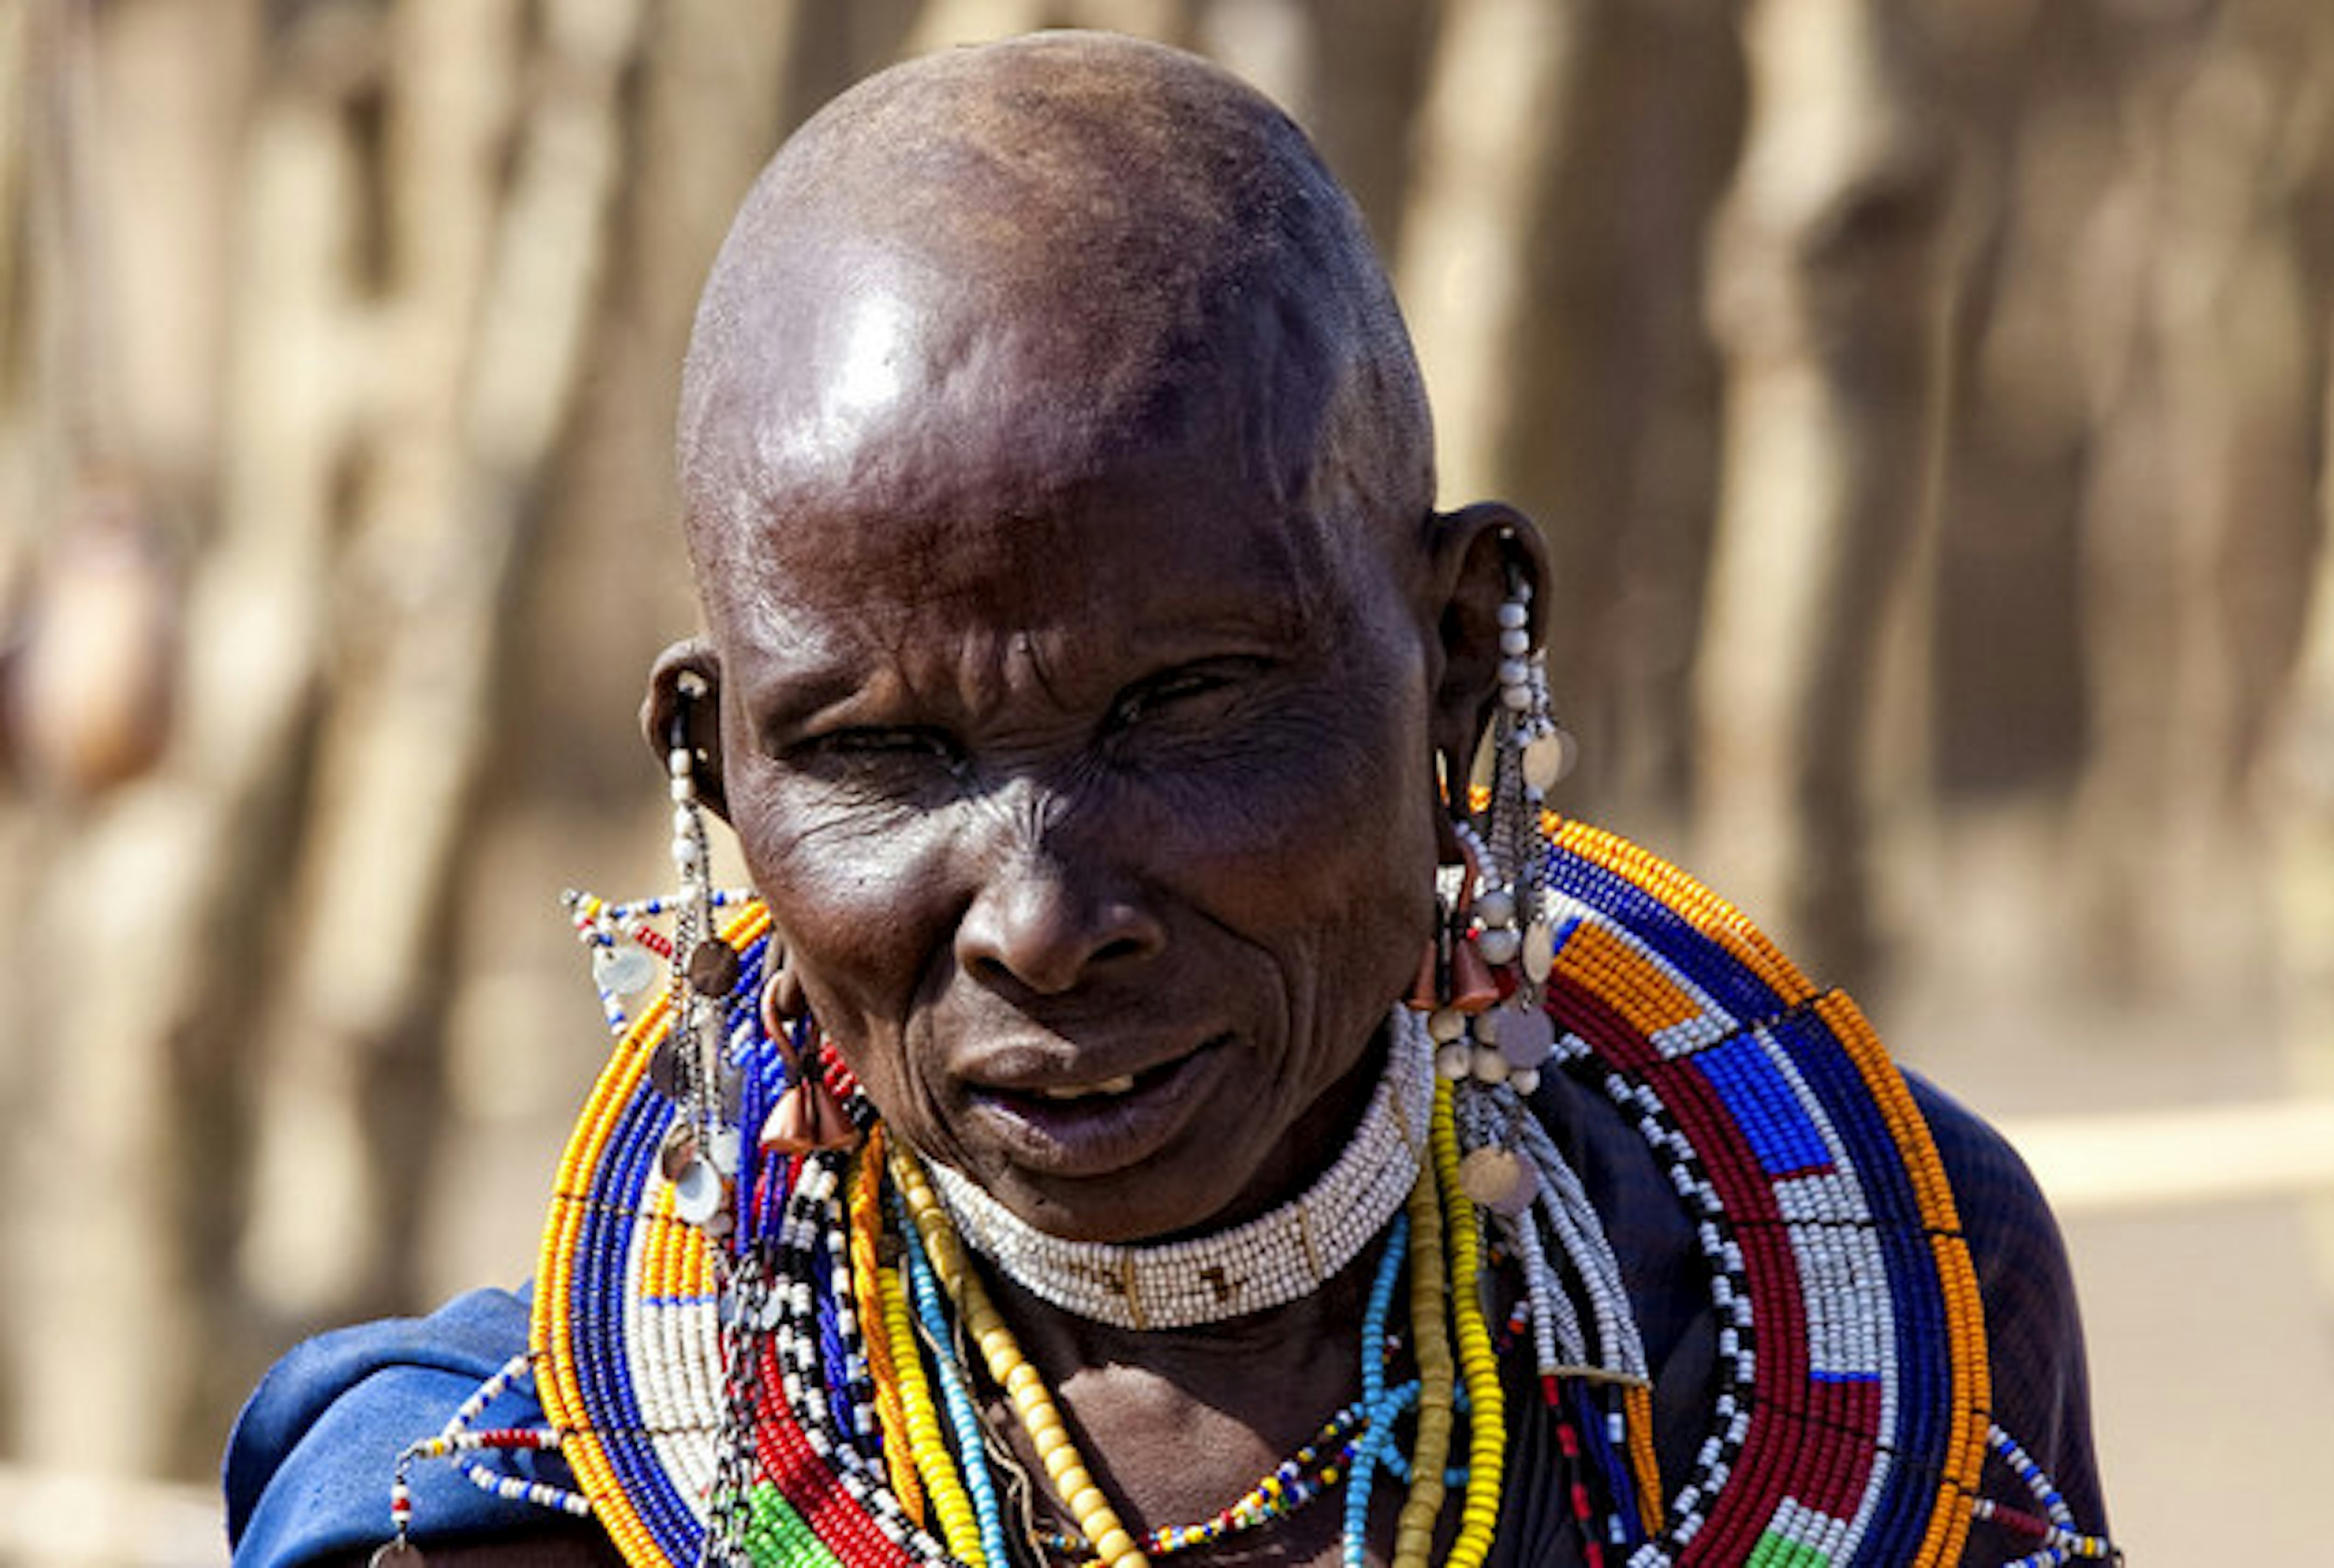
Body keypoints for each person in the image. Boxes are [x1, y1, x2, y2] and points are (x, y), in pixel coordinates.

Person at [225, 31, 2111, 1568]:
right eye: (884, 757)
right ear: (715, 772)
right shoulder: (507, 1514)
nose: (1041, 921)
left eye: (1185, 703)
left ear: (1458, 660)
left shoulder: (1864, 1330)